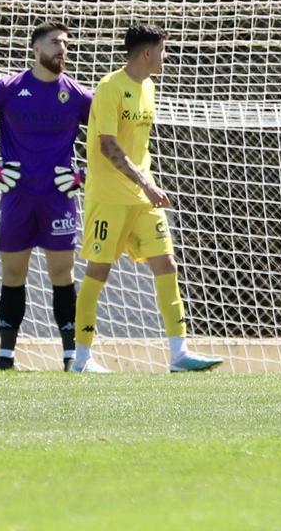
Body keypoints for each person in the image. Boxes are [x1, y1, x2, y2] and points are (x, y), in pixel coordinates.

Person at [71, 23, 222, 374]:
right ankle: (80, 359)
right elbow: (107, 146)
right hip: (109, 198)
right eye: (163, 50)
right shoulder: (110, 88)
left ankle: (179, 354)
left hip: (142, 198)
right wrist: (147, 184)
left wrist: (146, 187)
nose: (166, 56)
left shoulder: (149, 87)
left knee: (167, 264)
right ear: (146, 53)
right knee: (99, 271)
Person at [0, 20, 93, 371]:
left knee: (63, 274)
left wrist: (85, 175)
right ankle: (5, 356)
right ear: (35, 48)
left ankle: (69, 357)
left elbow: (113, 138)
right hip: (16, 196)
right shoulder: (9, 88)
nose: (62, 49)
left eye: (65, 43)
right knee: (12, 274)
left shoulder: (77, 95)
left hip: (58, 198)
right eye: (54, 42)